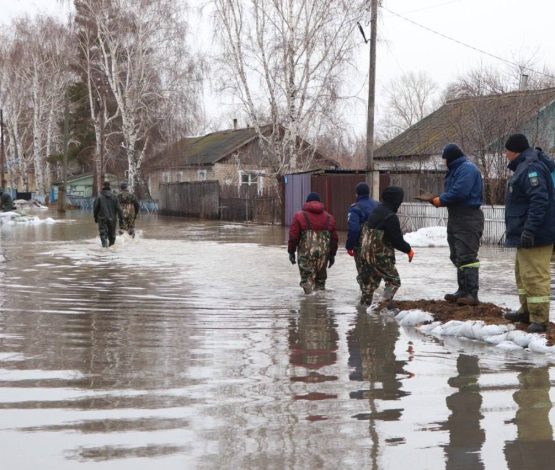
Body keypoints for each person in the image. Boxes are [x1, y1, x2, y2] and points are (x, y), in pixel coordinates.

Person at [417, 143, 484, 306]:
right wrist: (437, 199)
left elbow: (460, 192)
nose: (444, 162)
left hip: (468, 217)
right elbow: (453, 192)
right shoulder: (456, 170)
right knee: (457, 254)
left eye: (444, 159)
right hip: (456, 216)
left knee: (467, 255)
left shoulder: (467, 169)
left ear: (450, 158)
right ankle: (463, 290)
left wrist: (440, 200)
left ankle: (471, 293)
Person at [501, 134, 555, 333]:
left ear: (514, 151)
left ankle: (540, 319)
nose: (505, 154)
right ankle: (527, 311)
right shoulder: (524, 166)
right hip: (526, 232)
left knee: (535, 275)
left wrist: (530, 229)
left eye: (506, 151)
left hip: (536, 234)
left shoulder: (531, 168)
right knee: (522, 274)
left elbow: (539, 201)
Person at [356, 186, 414, 307]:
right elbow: (397, 240)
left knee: (369, 285)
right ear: (396, 200)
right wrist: (408, 250)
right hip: (379, 254)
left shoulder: (376, 211)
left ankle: (363, 312)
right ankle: (380, 306)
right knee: (394, 281)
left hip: (365, 253)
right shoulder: (390, 216)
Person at [288, 192, 338, 294]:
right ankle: (320, 307)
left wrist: (291, 252)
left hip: (306, 255)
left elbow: (293, 236)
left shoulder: (299, 216)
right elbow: (334, 239)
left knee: (307, 283)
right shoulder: (329, 217)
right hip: (323, 256)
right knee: (320, 285)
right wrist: (332, 255)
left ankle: (308, 306)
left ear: (307, 202)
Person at [345, 182, 379, 305]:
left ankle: (365, 304)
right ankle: (376, 298)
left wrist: (349, 246)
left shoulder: (355, 208)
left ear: (356, 194)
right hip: (378, 246)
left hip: (362, 247)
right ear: (368, 192)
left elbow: (353, 229)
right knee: (376, 272)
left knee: (364, 274)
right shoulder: (378, 205)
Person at [93, 181, 123, 248]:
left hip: (102, 218)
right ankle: (111, 249)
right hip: (113, 219)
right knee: (112, 235)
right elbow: (119, 209)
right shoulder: (115, 197)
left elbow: (95, 209)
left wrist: (95, 218)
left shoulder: (99, 197)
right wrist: (121, 219)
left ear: (103, 187)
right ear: (110, 187)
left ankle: (104, 249)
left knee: (103, 234)